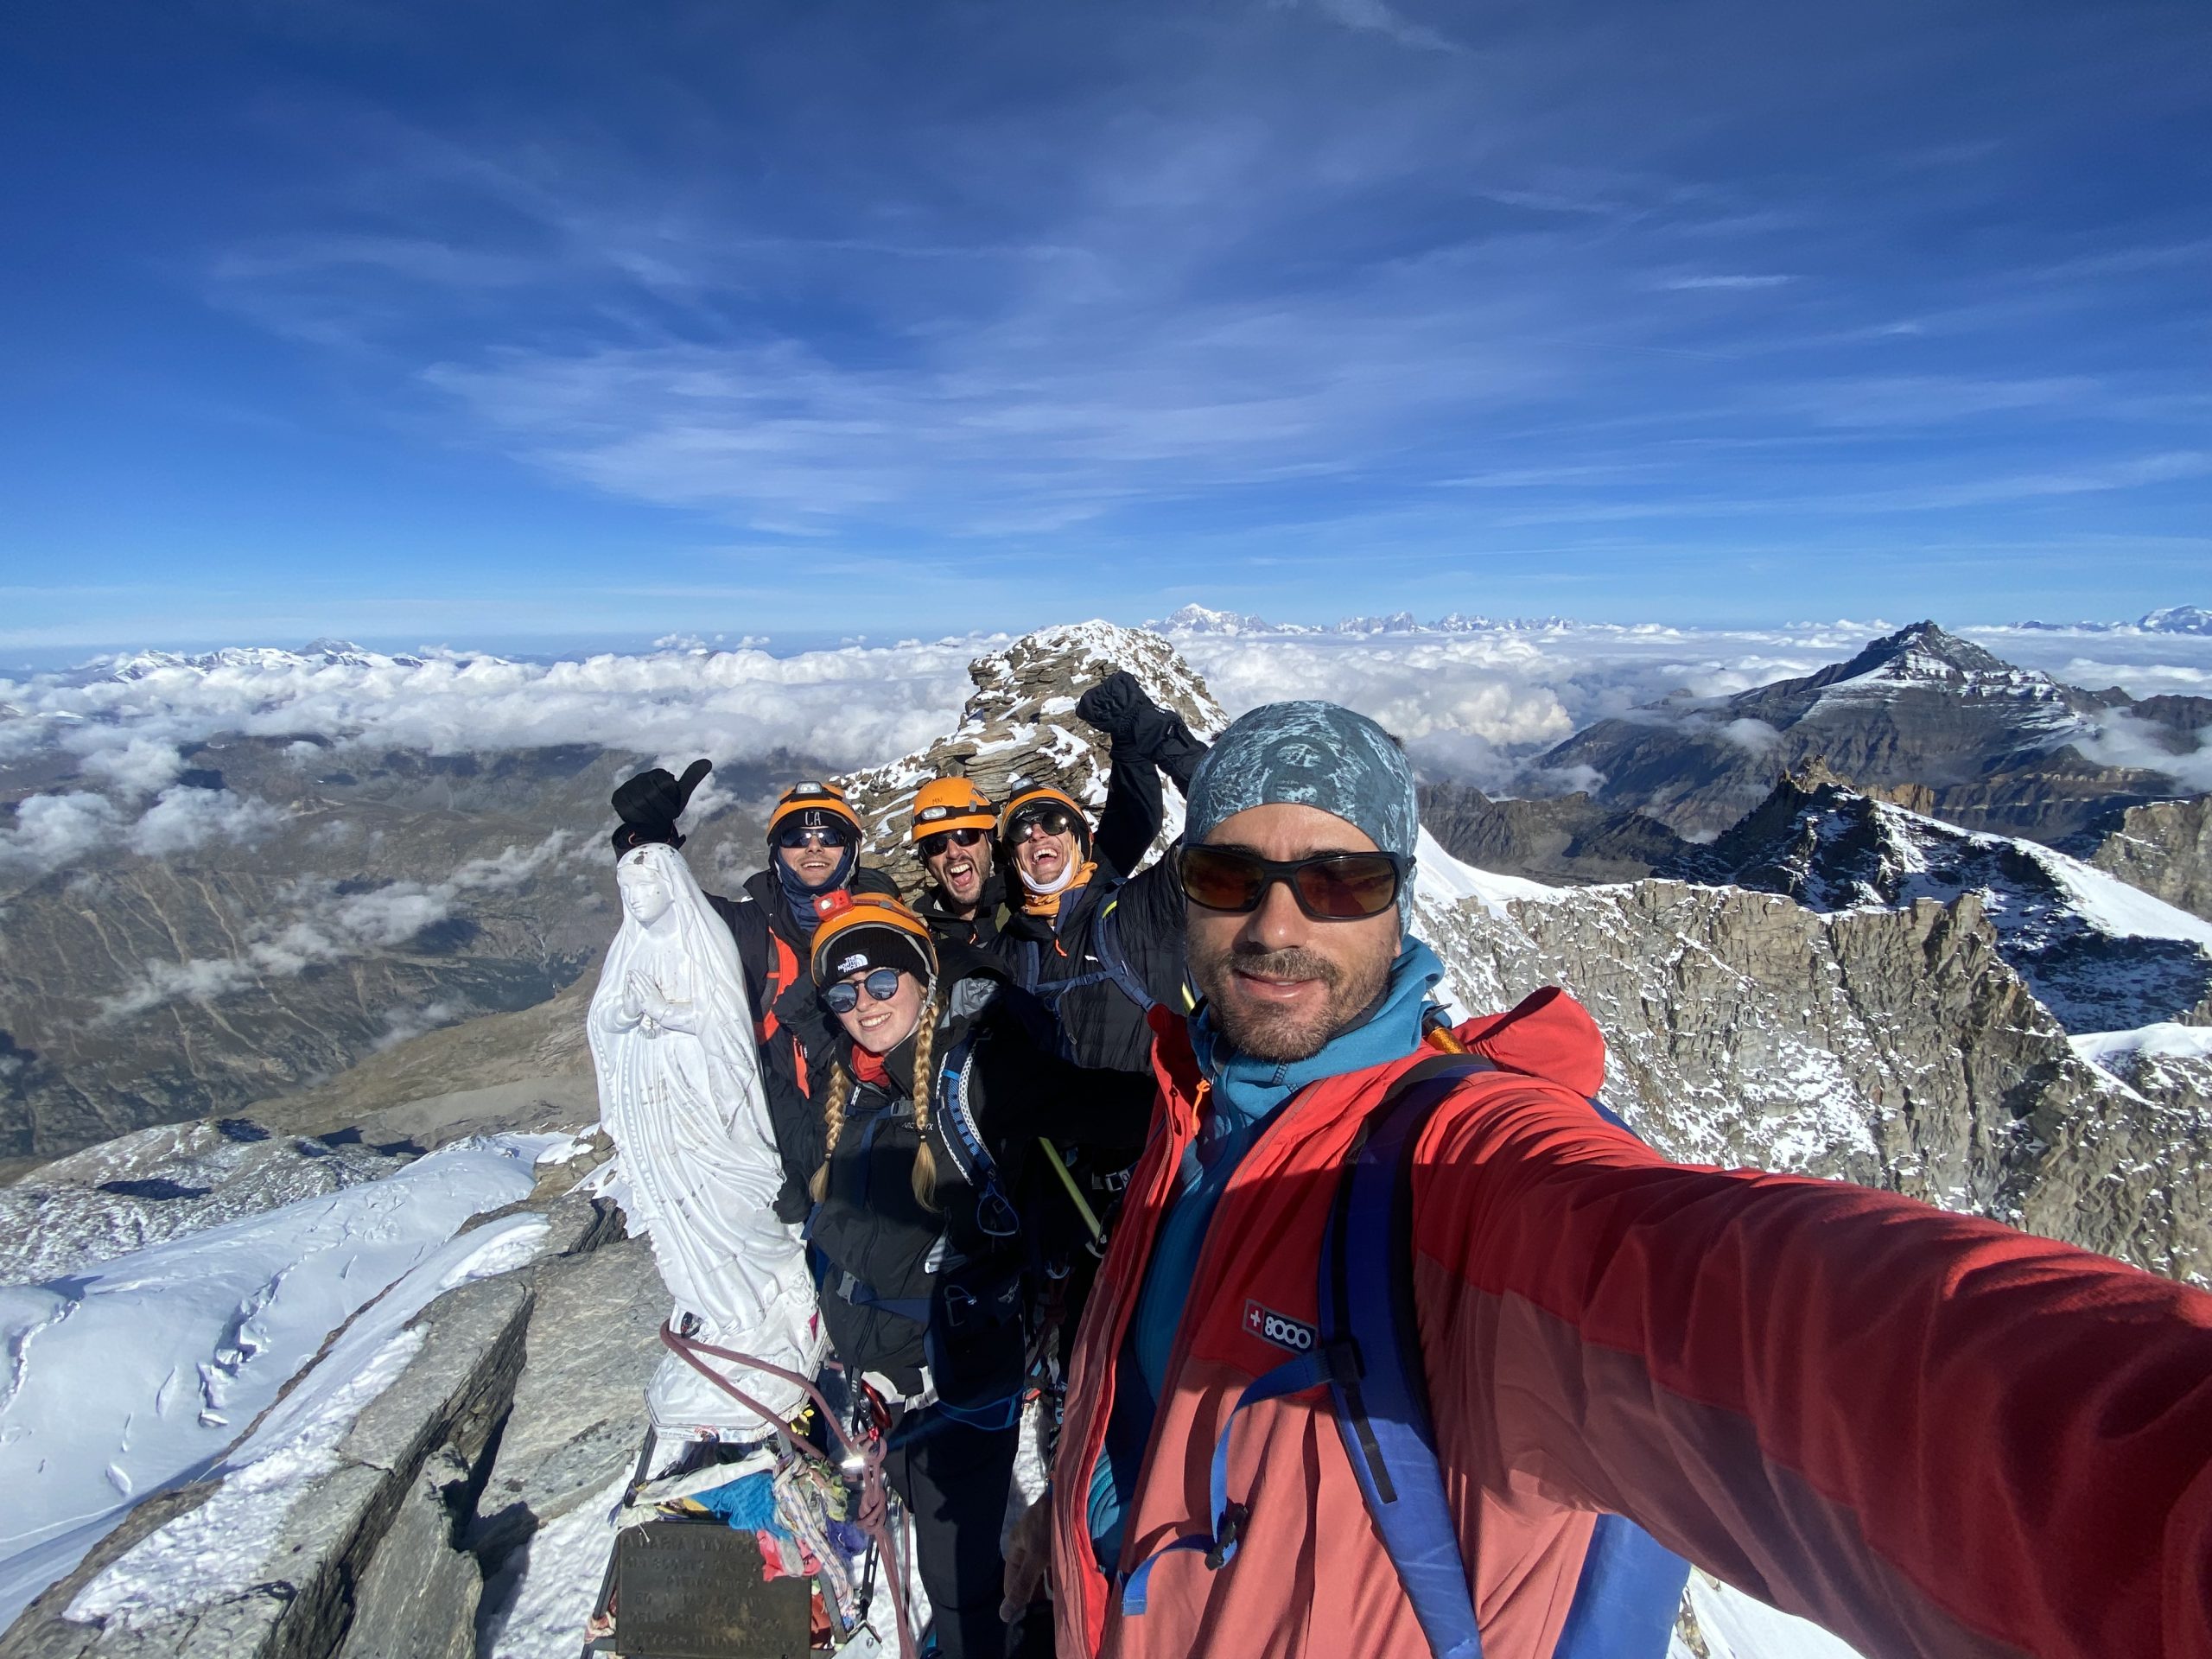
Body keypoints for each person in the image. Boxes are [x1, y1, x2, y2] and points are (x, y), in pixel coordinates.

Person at [1043, 700, 2212, 1659]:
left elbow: (1790, 1328)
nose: (1275, 925)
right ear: (1183, 895)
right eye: (1229, 874)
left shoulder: (1466, 1178)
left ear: (1401, 901)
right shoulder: (1197, 1097)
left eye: (1339, 881)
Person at [798, 893, 1151, 1659]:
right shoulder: (841, 1090)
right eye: (844, 992)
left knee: (954, 1578)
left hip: (964, 1379)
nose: (865, 1005)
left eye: (883, 982)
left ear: (922, 980)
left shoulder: (979, 1071)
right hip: (875, 1388)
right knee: (924, 1559)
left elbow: (1119, 1111)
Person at [609, 765, 899, 1211]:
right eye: (795, 838)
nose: (813, 848)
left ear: (853, 850)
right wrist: (647, 841)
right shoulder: (746, 932)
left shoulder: (888, 930)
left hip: (872, 1149)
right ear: (776, 853)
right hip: (768, 1147)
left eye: (830, 836)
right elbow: (671, 909)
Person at [990, 671, 1208, 1076]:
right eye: (1021, 830)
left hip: (1160, 1132)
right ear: (1013, 857)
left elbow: (1229, 825)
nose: (1037, 832)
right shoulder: (1004, 955)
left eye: (1054, 821)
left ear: (1081, 840)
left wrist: (1148, 733)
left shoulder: (1139, 909)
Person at [909, 775, 1007, 947]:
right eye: (935, 845)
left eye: (966, 836)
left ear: (989, 840)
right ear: (927, 862)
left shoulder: (1033, 911)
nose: (953, 853)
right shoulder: (928, 950)